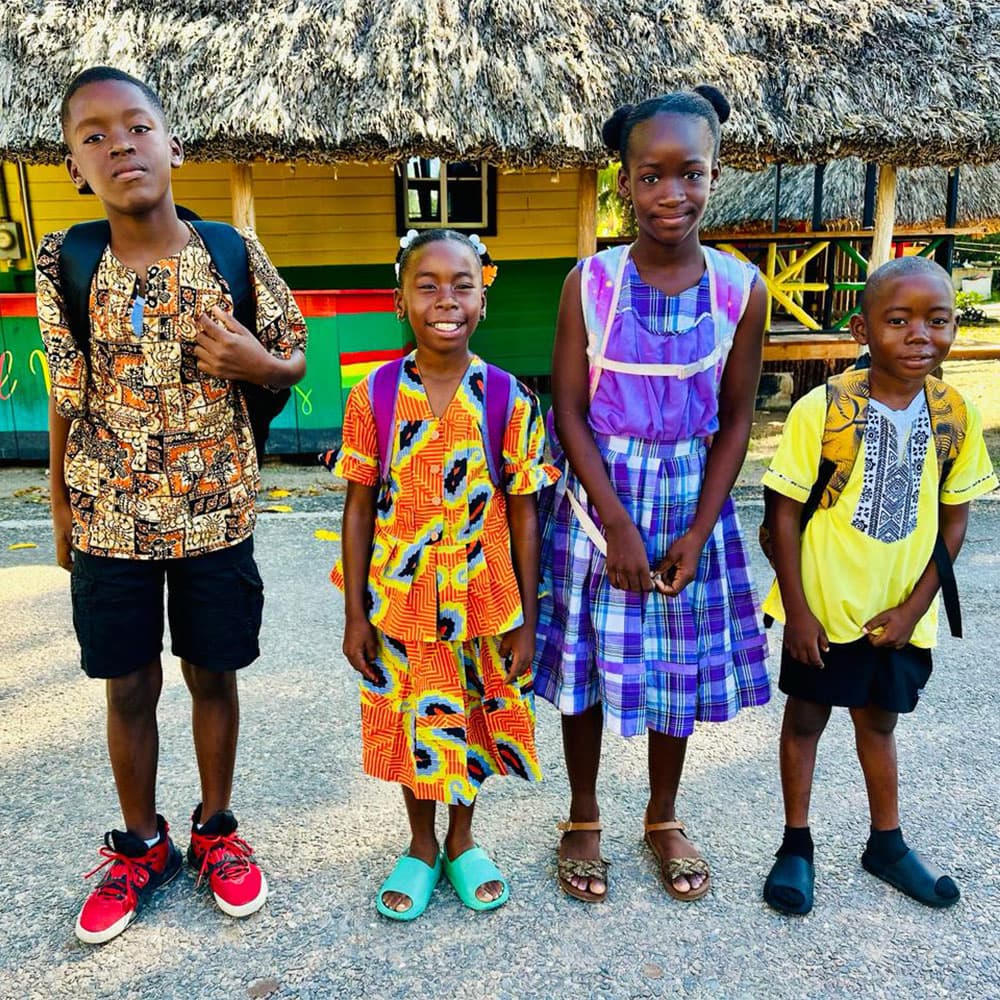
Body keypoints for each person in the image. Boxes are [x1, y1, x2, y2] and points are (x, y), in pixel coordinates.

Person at [39, 66, 308, 944]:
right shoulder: (68, 260)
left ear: (173, 142)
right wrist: (60, 510)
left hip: (217, 512)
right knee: (127, 682)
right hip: (111, 509)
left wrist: (255, 365)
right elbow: (68, 395)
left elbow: (293, 355)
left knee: (212, 670)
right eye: (93, 135)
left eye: (137, 125)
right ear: (77, 167)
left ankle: (217, 832)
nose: (119, 143)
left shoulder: (231, 251)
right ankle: (142, 844)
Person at [534, 88, 770, 904]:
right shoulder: (590, 284)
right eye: (651, 177)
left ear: (714, 175)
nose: (673, 195)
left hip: (690, 500)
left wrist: (699, 532)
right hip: (603, 499)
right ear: (624, 183)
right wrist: (617, 525)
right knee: (587, 665)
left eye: (690, 174)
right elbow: (566, 408)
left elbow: (737, 418)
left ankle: (663, 814)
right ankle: (584, 812)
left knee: (674, 665)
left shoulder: (742, 289)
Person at [331, 228, 557, 920]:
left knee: (467, 722)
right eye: (427, 285)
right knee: (412, 724)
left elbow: (524, 514)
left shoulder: (509, 400)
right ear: (402, 300)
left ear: (483, 300)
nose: (445, 299)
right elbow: (359, 503)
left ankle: (461, 840)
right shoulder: (372, 394)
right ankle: (420, 844)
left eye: (463, 285)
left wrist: (526, 617)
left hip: (481, 604)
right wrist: (355, 615)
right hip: (398, 603)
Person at [760, 256, 997, 915]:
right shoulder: (823, 409)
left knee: (879, 721)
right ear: (864, 330)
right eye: (899, 321)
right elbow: (782, 513)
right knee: (806, 719)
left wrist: (912, 607)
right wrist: (799, 614)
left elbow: (955, 521)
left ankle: (886, 843)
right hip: (823, 607)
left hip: (899, 615)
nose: (921, 334)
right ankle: (796, 844)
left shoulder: (955, 415)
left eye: (938, 320)